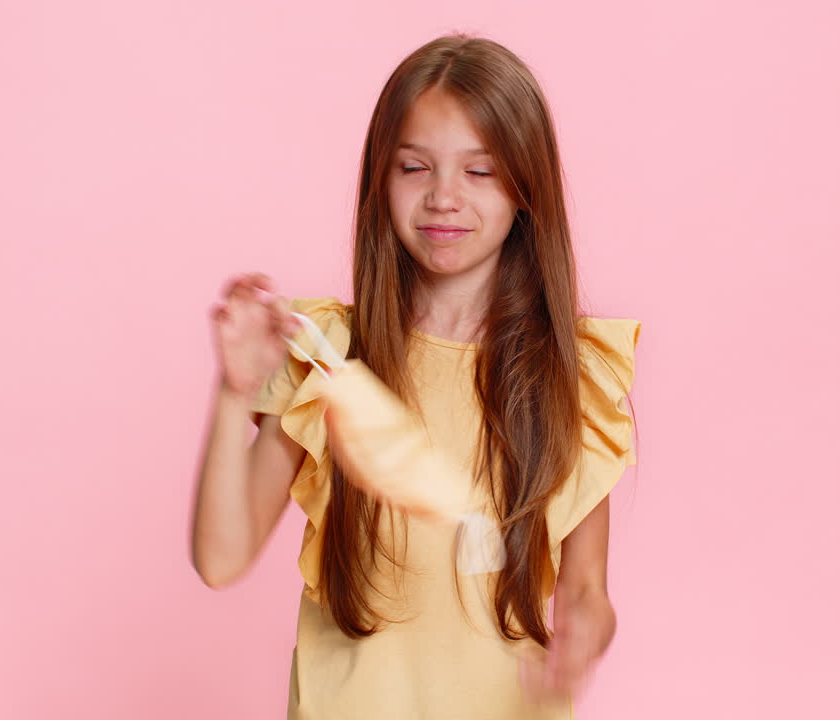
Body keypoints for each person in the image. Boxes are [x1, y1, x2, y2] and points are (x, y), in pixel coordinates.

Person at [191, 33, 641, 720]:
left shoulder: (569, 379)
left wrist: (585, 635)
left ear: (527, 189)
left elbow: (587, 590)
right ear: (383, 177)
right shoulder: (330, 360)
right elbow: (221, 558)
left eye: (480, 172)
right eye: (414, 167)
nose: (443, 197)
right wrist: (233, 393)